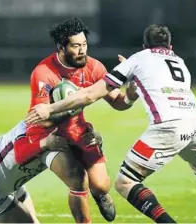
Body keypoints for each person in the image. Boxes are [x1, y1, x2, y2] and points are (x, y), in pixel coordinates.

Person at [26, 24, 196, 223]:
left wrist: (51, 108)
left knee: (125, 182)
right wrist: (130, 94)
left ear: (143, 45)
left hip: (169, 128)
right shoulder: (180, 62)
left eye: (84, 44)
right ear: (170, 46)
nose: (82, 50)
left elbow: (89, 96)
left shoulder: (138, 58)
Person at [25, 17, 132, 223]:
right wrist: (80, 101)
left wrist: (132, 85)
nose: (82, 50)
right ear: (61, 47)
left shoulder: (94, 67)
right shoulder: (43, 73)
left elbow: (119, 103)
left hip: (79, 132)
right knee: (78, 179)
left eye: (84, 44)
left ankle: (100, 194)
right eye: (76, 46)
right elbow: (42, 121)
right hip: (50, 137)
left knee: (101, 185)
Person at [0, 121, 70, 223]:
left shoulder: (61, 134)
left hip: (11, 184)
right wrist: (44, 144)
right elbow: (20, 155)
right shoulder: (28, 131)